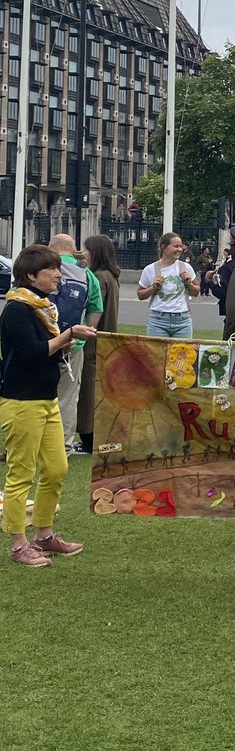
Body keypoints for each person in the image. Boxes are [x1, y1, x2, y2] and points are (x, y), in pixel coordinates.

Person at [0, 244, 96, 567]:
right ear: (31, 276)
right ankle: (18, 545)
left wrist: (63, 341)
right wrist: (67, 334)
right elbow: (30, 353)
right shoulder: (16, 310)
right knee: (21, 474)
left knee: (57, 468)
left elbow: (48, 350)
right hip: (20, 401)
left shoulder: (42, 306)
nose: (58, 274)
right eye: (51, 270)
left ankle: (44, 535)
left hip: (46, 398)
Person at [47, 234, 103, 457]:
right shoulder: (87, 274)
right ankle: (62, 447)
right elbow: (95, 308)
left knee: (35, 397)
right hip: (72, 342)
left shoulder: (42, 267)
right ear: (73, 249)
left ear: (52, 248)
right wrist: (83, 335)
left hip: (42, 340)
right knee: (68, 398)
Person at [75, 234, 120, 455]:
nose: (83, 253)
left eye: (86, 249)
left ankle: (88, 438)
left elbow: (93, 308)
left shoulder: (99, 278)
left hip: (93, 341)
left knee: (87, 392)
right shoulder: (110, 276)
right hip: (105, 339)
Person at [137, 232, 199, 339]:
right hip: (158, 320)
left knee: (182, 354)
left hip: (182, 320)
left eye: (181, 246)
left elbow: (196, 292)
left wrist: (189, 283)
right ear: (164, 247)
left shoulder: (185, 267)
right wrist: (153, 287)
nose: (180, 249)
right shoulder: (150, 269)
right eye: (176, 246)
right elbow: (140, 295)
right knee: (157, 354)